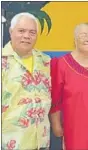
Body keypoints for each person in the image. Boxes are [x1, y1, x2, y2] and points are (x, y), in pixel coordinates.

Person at [49, 22, 88, 150]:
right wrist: (56, 124)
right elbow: (55, 98)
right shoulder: (61, 64)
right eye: (83, 35)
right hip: (76, 131)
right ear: (75, 39)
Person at [1, 12, 51, 150]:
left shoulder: (46, 62)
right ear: (11, 32)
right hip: (10, 144)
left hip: (41, 143)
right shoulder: (2, 61)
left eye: (32, 32)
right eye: (21, 31)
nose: (26, 36)